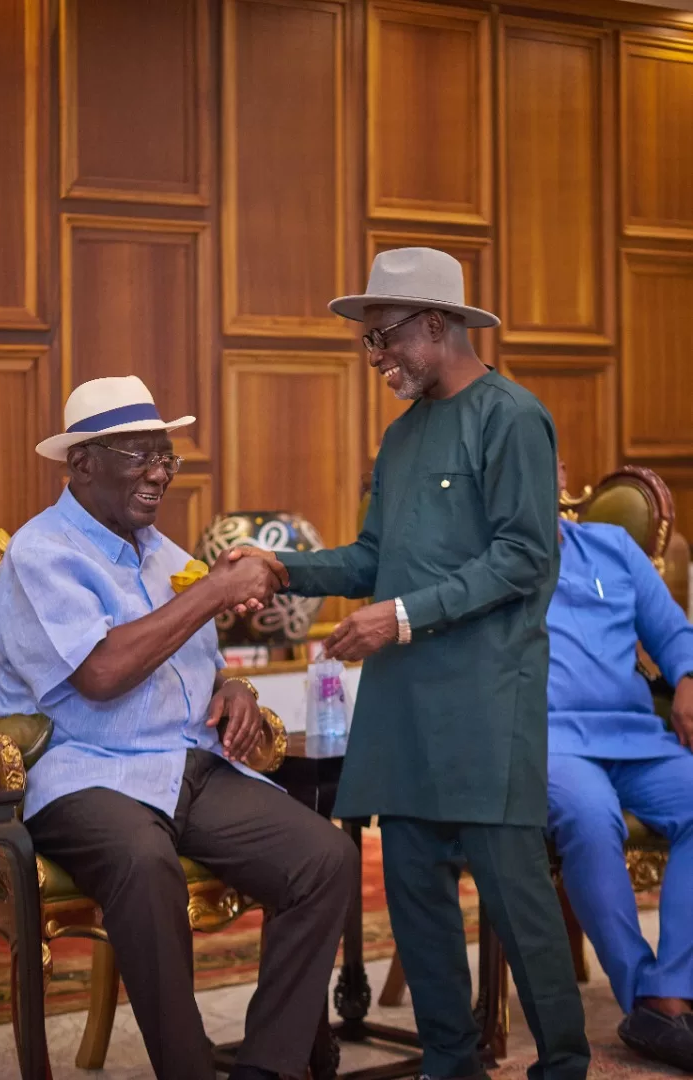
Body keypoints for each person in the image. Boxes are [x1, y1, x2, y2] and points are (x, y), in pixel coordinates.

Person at [237, 248, 590, 1080]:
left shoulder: (513, 418)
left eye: (384, 337)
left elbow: (524, 559)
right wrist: (282, 568)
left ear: (436, 325)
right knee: (416, 906)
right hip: (402, 711)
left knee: (519, 904)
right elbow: (374, 556)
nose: (376, 356)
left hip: (487, 703)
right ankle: (448, 1065)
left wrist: (398, 617)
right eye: (369, 341)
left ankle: (565, 1066)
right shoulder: (399, 439)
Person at [0, 375, 359, 1080]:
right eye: (139, 457)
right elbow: (101, 673)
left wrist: (236, 688)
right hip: (85, 772)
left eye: (165, 457)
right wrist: (213, 591)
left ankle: (267, 1069)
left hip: (187, 764)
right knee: (142, 861)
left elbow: (199, 664)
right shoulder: (42, 555)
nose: (159, 473)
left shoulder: (163, 553)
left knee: (324, 858)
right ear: (82, 463)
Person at [548, 459, 693, 1072]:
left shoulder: (611, 546)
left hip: (633, 734)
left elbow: (674, 632)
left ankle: (671, 986)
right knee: (590, 816)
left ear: (560, 475)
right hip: (547, 740)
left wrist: (687, 678)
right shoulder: (487, 563)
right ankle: (651, 1000)